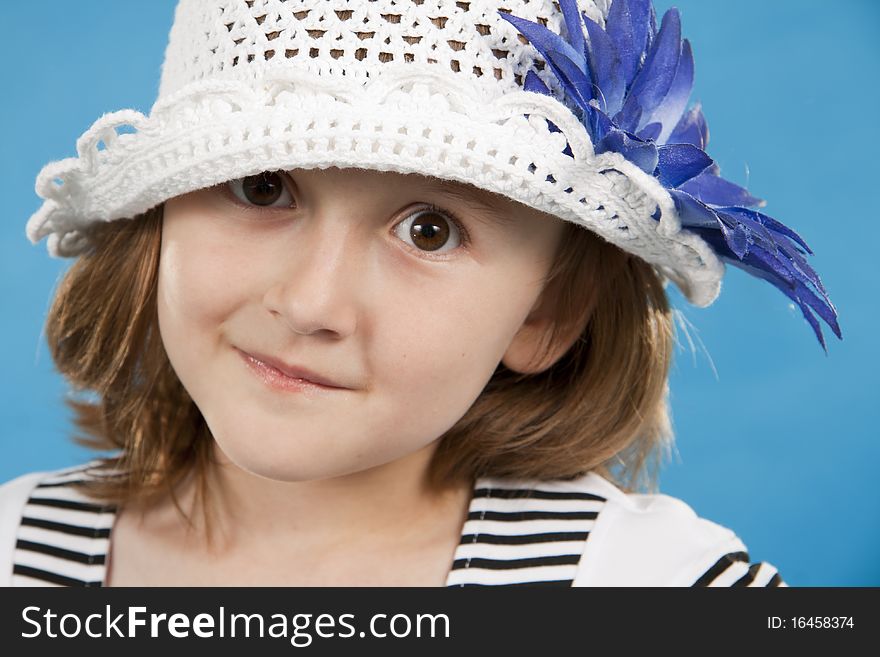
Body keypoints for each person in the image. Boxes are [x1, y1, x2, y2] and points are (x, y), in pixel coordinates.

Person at [0, 0, 838, 587]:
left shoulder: (654, 584)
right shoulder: (15, 552)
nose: (311, 303)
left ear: (546, 314)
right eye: (262, 187)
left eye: (430, 230)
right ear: (160, 218)